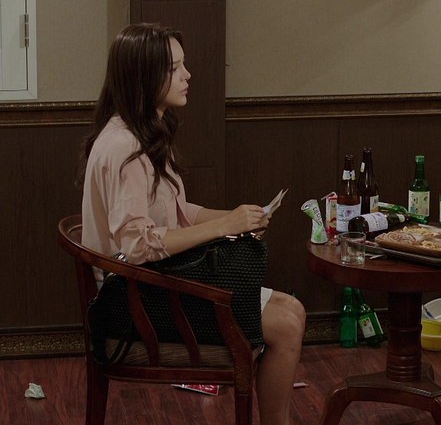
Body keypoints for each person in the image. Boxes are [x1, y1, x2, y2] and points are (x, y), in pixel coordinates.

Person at [79, 23, 305, 424]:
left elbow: (176, 211)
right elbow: (137, 245)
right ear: (145, 76)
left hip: (147, 287)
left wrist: (236, 218)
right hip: (131, 304)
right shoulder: (125, 147)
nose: (187, 75)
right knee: (287, 322)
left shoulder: (141, 131)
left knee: (292, 310)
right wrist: (223, 226)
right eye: (175, 68)